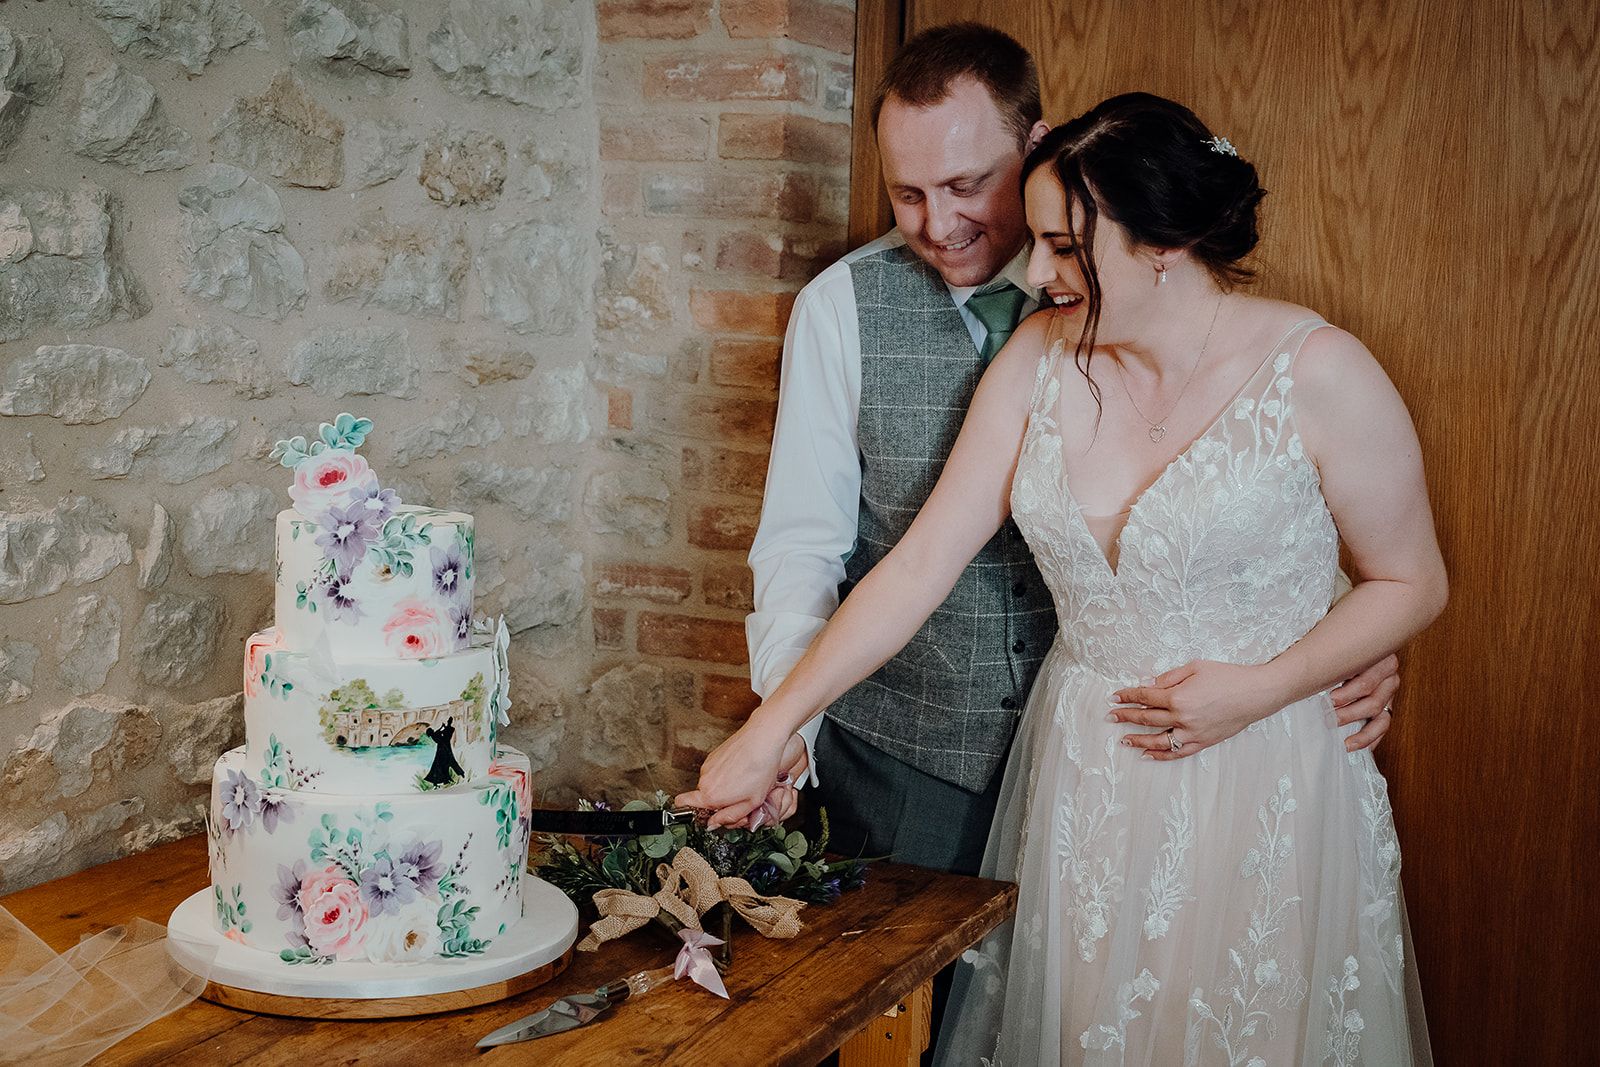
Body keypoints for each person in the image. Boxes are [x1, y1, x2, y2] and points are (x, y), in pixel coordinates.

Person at [683, 91, 1444, 1063]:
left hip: (1264, 775)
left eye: (1066, 247)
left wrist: (1260, 688)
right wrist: (771, 722)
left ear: (1161, 241)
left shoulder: (1320, 372)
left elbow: (1411, 581)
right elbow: (917, 564)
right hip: (1090, 773)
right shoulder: (1037, 364)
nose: (1038, 273)